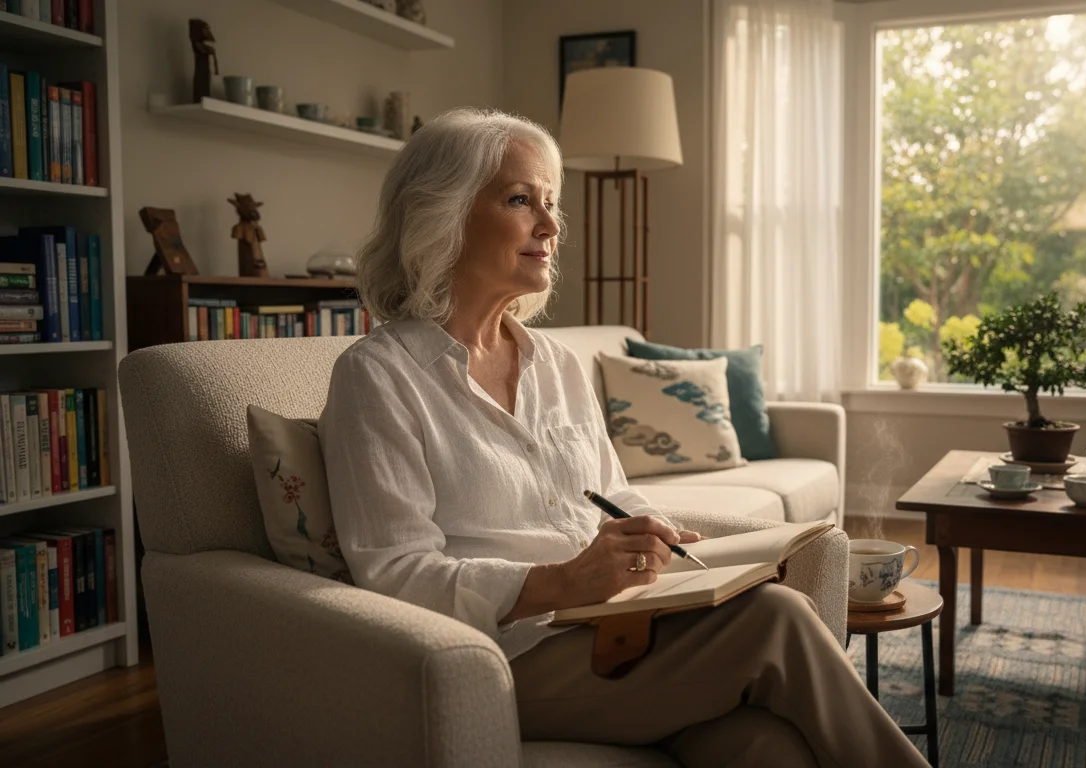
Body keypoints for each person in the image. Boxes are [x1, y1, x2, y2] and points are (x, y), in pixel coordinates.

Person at [318, 107, 931, 768]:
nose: (550, 226)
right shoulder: (377, 377)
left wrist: (658, 536)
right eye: (521, 200)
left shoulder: (553, 365)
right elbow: (396, 575)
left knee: (766, 747)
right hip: (498, 659)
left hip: (614, 631)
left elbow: (610, 493)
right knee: (776, 618)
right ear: (441, 215)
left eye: (550, 204)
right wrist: (561, 581)